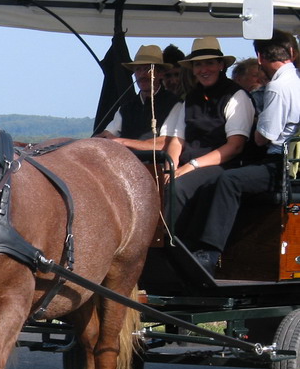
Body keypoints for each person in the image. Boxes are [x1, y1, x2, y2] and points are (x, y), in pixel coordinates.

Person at [187, 30, 300, 273]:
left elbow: (262, 138)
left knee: (228, 180)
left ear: (259, 57)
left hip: (278, 166)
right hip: (290, 165)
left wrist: (256, 122)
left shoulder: (277, 87)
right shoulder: (296, 79)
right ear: (290, 52)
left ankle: (209, 252)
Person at [159, 36, 255, 271]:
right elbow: (177, 140)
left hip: (225, 163)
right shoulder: (189, 99)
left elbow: (235, 146)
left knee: (178, 187)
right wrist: (169, 167)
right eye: (199, 65)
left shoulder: (236, 96)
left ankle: (177, 253)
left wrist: (190, 166)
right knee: (158, 182)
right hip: (191, 164)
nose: (204, 70)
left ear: (221, 65)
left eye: (210, 63)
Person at [96, 44, 183, 151]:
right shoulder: (126, 108)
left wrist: (121, 141)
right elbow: (106, 135)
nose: (142, 75)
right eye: (138, 69)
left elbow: (164, 144)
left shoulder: (175, 105)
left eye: (147, 69)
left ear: (160, 73)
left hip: (154, 166)